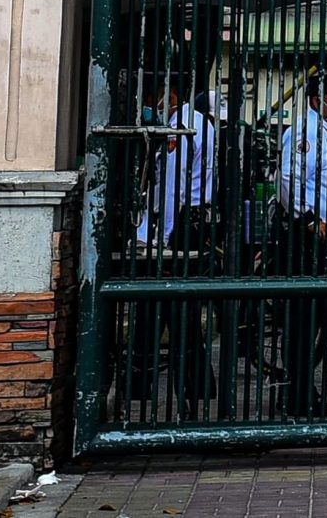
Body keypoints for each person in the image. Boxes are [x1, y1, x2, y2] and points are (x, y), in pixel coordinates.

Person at [131, 83, 217, 418]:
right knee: (181, 308)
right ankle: (197, 383)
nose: (150, 109)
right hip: (194, 223)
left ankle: (144, 383)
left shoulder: (178, 130)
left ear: (169, 96)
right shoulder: (201, 123)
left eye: (152, 101)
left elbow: (171, 187)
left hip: (179, 227)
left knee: (162, 305)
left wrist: (155, 238)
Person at [276, 71, 327, 418]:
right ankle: (298, 392)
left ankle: (302, 387)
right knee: (306, 320)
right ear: (315, 99)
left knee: (317, 319)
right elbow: (289, 179)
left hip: (322, 239)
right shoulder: (305, 133)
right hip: (306, 238)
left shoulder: (322, 132)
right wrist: (310, 220)